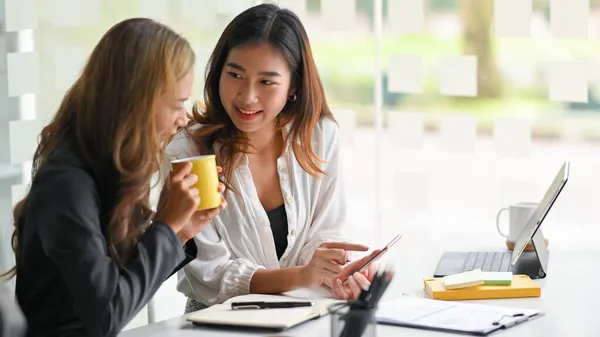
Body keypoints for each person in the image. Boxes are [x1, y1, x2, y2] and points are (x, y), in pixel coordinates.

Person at [0, 18, 226, 337]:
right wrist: (165, 225)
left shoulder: (104, 168)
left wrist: (180, 232)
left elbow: (121, 287)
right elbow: (106, 315)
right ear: (137, 102)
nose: (183, 118)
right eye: (176, 104)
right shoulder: (67, 183)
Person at [167, 4, 379, 313]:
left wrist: (338, 270)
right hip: (217, 322)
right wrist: (302, 276)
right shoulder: (188, 149)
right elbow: (209, 277)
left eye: (266, 81)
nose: (247, 96)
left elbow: (325, 233)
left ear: (293, 85)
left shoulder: (320, 135)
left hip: (299, 313)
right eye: (235, 74)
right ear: (218, 72)